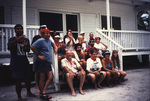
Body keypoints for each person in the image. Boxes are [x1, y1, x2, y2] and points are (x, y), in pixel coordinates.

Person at [8, 24, 36, 101]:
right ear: (15, 30)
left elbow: (27, 50)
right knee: (18, 80)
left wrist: (25, 46)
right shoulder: (12, 39)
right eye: (18, 29)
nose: (20, 30)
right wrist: (18, 39)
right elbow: (9, 47)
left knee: (28, 78)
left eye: (21, 29)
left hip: (24, 61)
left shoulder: (26, 40)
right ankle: (19, 96)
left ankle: (29, 92)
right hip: (16, 62)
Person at [31, 28, 57, 100]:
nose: (48, 34)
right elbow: (32, 47)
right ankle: (43, 93)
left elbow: (53, 45)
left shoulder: (49, 40)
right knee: (42, 77)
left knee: (50, 77)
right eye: (46, 33)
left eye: (49, 33)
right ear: (43, 34)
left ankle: (43, 92)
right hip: (42, 61)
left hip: (48, 61)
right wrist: (39, 55)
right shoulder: (40, 40)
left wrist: (55, 48)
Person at [31, 25, 47, 93]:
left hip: (45, 56)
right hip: (37, 55)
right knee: (37, 72)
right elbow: (32, 47)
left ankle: (43, 87)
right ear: (40, 30)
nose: (43, 29)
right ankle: (37, 86)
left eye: (45, 28)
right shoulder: (36, 37)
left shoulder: (47, 37)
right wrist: (38, 54)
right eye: (42, 28)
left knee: (44, 72)